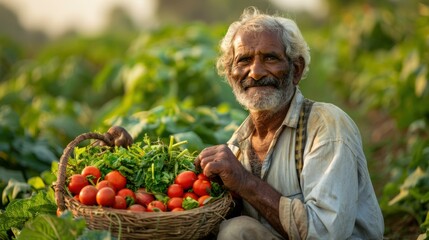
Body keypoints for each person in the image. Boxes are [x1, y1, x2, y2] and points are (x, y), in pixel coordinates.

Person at [194, 7, 384, 240]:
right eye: (244, 60)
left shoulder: (325, 125)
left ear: (296, 69)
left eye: (270, 58)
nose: (255, 72)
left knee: (237, 232)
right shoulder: (237, 145)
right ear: (231, 74)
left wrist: (245, 182)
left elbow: (326, 232)